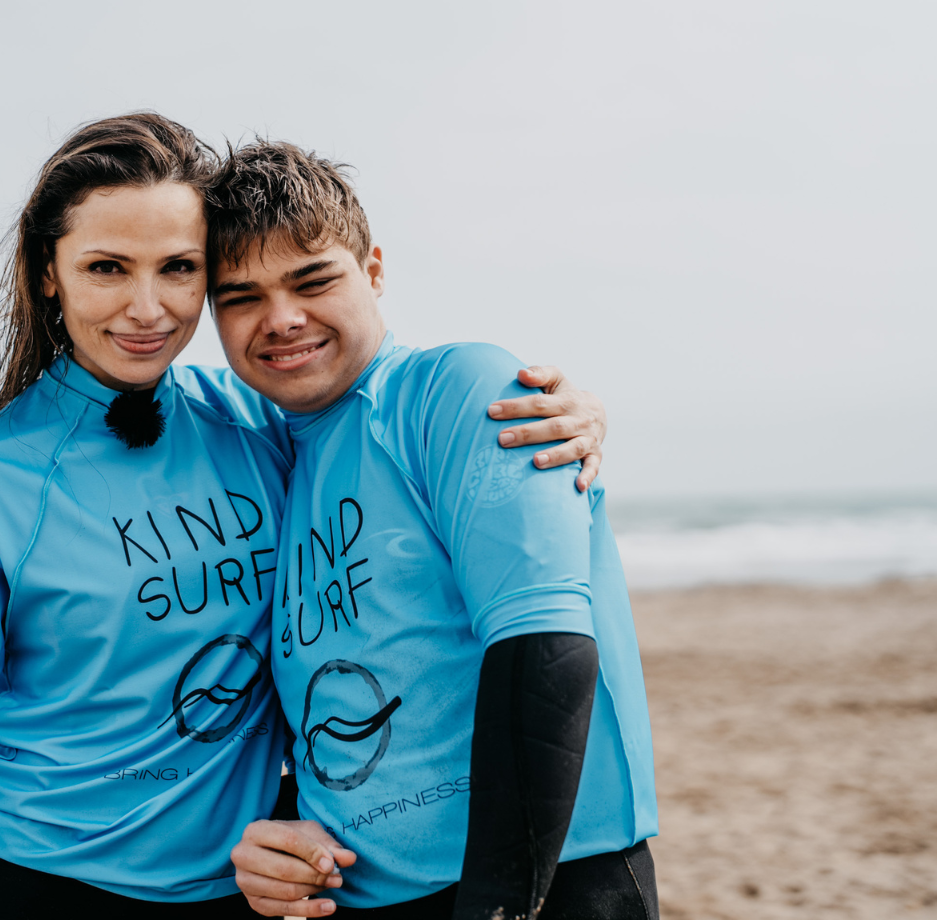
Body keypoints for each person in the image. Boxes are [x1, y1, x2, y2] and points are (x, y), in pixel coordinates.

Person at [0, 114, 609, 919]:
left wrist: (566, 412)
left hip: (245, 893)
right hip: (47, 886)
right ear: (48, 273)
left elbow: (387, 506)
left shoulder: (256, 422)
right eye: (107, 268)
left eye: (179, 268)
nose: (146, 307)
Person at [210, 142, 657, 918]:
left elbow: (546, 656)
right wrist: (277, 830)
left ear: (373, 271)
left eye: (312, 279)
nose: (282, 318)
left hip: (548, 881)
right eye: (241, 295)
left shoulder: (454, 392)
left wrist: (494, 906)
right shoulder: (267, 456)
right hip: (366, 895)